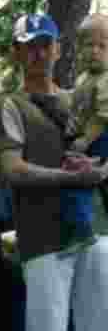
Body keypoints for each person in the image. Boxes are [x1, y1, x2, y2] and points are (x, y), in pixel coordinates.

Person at [0, 13, 108, 331]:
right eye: (29, 45)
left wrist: (99, 172)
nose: (38, 53)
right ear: (17, 53)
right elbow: (12, 170)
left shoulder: (87, 96)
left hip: (96, 226)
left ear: (59, 50)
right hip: (43, 232)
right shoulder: (11, 106)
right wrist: (66, 177)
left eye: (46, 44)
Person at [62, 13, 108, 231]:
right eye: (89, 45)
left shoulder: (106, 79)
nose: (95, 51)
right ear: (80, 49)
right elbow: (78, 105)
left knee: (80, 176)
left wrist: (85, 139)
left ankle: (81, 227)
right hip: (87, 134)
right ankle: (83, 224)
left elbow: (102, 116)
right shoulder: (83, 78)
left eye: (103, 46)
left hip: (100, 137)